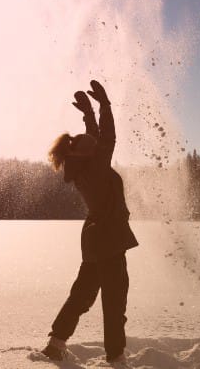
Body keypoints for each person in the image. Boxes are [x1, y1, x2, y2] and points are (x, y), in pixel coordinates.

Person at [42, 80, 139, 366]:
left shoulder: (81, 164)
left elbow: (94, 138)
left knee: (83, 293)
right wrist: (104, 106)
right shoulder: (96, 165)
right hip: (108, 237)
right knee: (114, 299)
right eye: (94, 145)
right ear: (90, 153)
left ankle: (56, 343)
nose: (97, 144)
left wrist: (89, 114)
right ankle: (117, 357)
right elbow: (107, 138)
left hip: (96, 237)